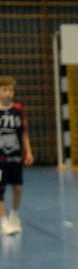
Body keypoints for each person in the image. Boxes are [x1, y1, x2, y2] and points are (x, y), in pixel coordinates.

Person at [0, 75, 33, 236]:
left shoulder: (18, 110)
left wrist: (29, 151)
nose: (8, 93)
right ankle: (3, 222)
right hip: (0, 159)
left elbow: (24, 133)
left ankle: (14, 216)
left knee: (18, 188)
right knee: (0, 189)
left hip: (15, 157)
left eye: (11, 90)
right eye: (4, 89)